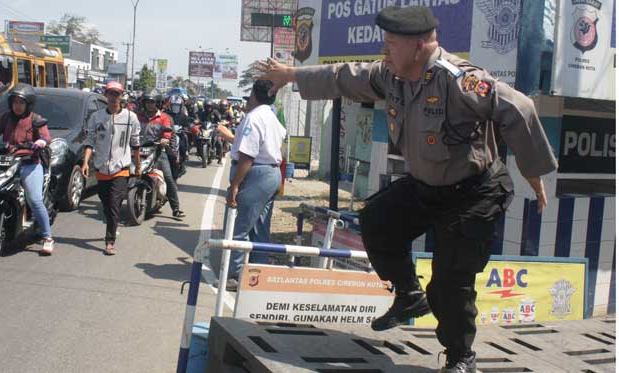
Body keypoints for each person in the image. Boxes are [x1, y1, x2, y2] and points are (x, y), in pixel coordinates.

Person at [256, 6, 557, 373]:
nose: (385, 50)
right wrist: (290, 75)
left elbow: (519, 108)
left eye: (391, 43)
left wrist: (533, 172)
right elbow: (342, 76)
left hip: (473, 192)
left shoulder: (458, 80)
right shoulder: (390, 76)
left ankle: (461, 357)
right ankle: (409, 295)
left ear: (419, 45)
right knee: (377, 222)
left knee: (449, 282)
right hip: (426, 187)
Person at [0, 83, 55, 255]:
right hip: (7, 162)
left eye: (21, 102)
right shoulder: (6, 118)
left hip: (29, 163)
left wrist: (40, 142)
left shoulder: (35, 119)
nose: (17, 106)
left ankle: (47, 238)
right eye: (14, 102)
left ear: (28, 104)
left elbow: (46, 137)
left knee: (35, 199)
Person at [224, 80, 287, 291]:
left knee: (239, 228)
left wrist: (235, 185)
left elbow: (247, 155)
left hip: (256, 173)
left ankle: (235, 276)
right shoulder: (272, 116)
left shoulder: (255, 117)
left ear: (253, 94)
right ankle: (259, 275)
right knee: (260, 229)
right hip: (271, 172)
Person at [82, 81, 141, 255]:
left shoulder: (131, 118)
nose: (114, 98)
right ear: (106, 96)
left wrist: (137, 165)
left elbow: (135, 143)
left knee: (114, 204)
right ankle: (112, 225)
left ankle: (109, 241)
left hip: (120, 167)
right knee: (106, 204)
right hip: (101, 167)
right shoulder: (97, 117)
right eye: (111, 94)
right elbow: (89, 141)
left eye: (117, 94)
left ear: (122, 96)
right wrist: (85, 162)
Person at [137, 93, 186, 219]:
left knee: (169, 178)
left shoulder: (164, 118)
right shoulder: (138, 117)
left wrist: (165, 139)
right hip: (138, 151)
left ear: (157, 103)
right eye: (147, 102)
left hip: (158, 151)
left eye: (152, 102)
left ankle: (176, 208)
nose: (149, 104)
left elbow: (168, 132)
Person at [196, 99, 224, 164]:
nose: (208, 108)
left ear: (212, 106)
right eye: (207, 106)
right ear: (204, 106)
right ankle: (198, 151)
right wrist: (197, 121)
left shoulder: (215, 112)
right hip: (204, 129)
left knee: (219, 142)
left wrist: (220, 122)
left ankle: (220, 158)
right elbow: (199, 119)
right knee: (197, 137)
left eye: (210, 106)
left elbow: (219, 119)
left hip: (213, 129)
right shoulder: (203, 113)